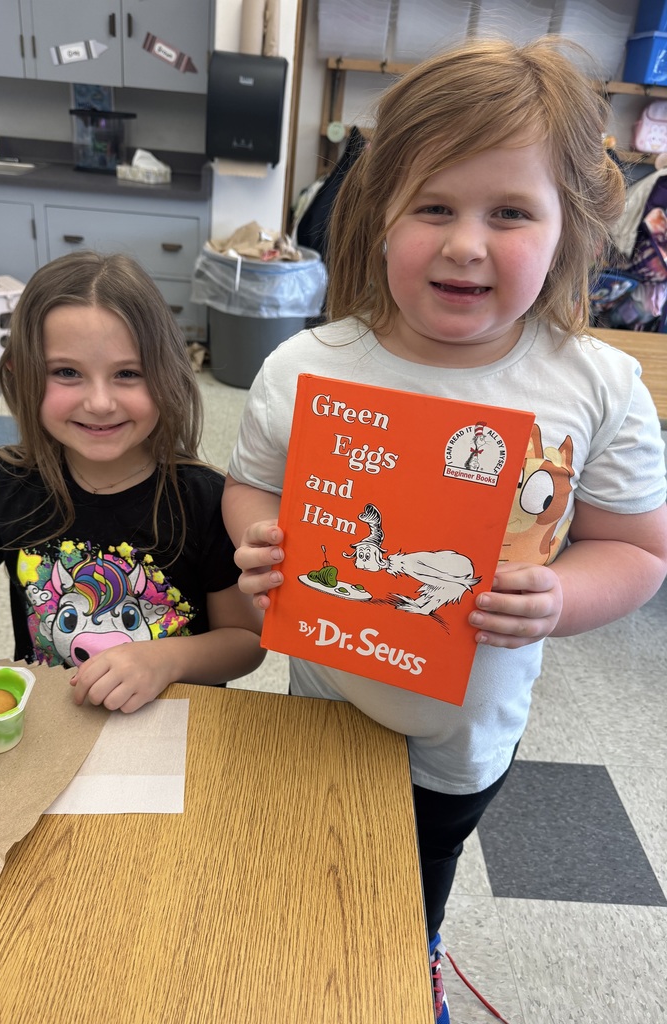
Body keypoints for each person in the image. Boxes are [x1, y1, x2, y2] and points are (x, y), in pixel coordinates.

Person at [222, 37, 667, 1023]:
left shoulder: (595, 386)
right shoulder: (307, 367)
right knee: (306, 867)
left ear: (568, 230)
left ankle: (409, 959)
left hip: (459, 742)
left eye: (509, 212)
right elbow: (251, 487)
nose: (467, 241)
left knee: (408, 892)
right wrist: (263, 540)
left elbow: (637, 547)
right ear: (377, 219)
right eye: (435, 206)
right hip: (321, 708)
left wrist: (561, 595)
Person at [0, 251, 264, 711]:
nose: (99, 402)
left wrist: (166, 659)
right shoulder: (1, 483)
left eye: (128, 373)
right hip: (52, 724)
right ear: (21, 373)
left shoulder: (206, 499)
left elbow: (246, 641)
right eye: (66, 372)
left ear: (169, 376)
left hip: (175, 730)